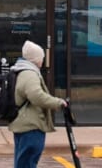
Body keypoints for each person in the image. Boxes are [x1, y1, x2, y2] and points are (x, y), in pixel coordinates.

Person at [9, 40, 67, 168]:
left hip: (22, 124)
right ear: (35, 59)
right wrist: (58, 103)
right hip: (31, 126)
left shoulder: (21, 71)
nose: (42, 61)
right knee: (28, 162)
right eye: (41, 58)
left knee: (23, 162)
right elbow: (37, 96)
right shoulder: (29, 74)